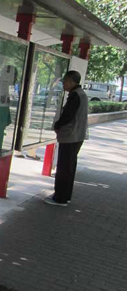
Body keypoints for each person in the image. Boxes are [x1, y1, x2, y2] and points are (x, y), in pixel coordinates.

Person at [44, 70, 88, 206]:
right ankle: (65, 195)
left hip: (70, 136)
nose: (63, 84)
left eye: (65, 81)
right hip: (77, 136)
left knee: (64, 168)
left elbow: (67, 115)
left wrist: (58, 125)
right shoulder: (82, 94)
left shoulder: (75, 96)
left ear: (71, 81)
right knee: (69, 167)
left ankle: (60, 197)